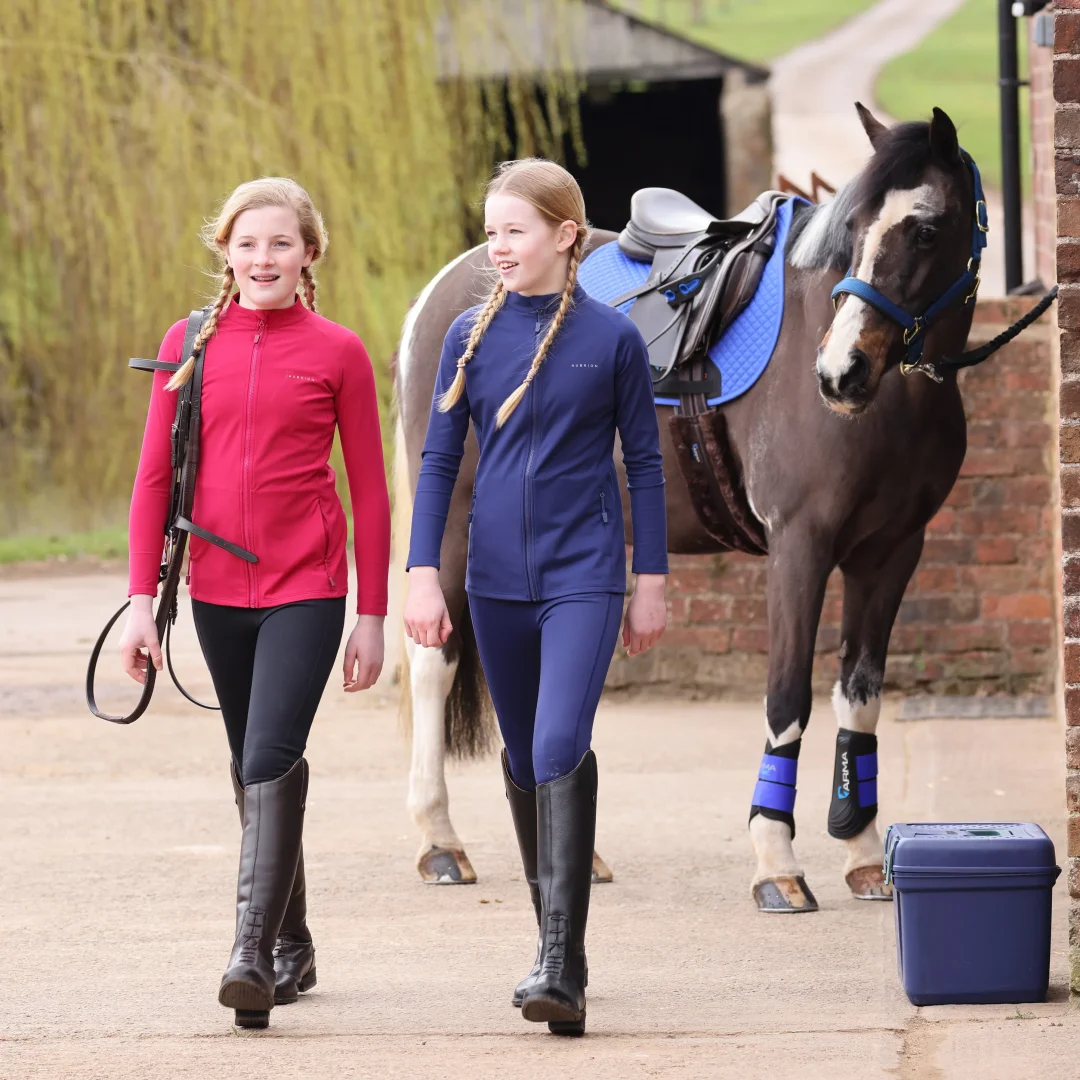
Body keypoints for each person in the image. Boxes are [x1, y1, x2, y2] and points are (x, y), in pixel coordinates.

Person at [403, 158, 668, 1035]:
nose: (498, 247)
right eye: (491, 232)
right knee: (521, 761)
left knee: (557, 744)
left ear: (565, 235)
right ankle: (556, 946)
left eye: (514, 231)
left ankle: (560, 962)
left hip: (583, 576)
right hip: (494, 583)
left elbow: (645, 465)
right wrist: (421, 572)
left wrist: (650, 581)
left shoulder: (614, 339)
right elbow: (439, 463)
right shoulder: (467, 337)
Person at [119, 177, 390, 1029]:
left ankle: (250, 955)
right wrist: (138, 600)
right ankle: (293, 942)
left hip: (308, 586)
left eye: (280, 243)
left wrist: (372, 615)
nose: (262, 258)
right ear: (225, 253)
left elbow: (371, 489)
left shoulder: (339, 350)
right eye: (247, 244)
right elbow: (154, 477)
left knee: (271, 754)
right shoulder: (187, 343)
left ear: (309, 254)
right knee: (250, 765)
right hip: (214, 588)